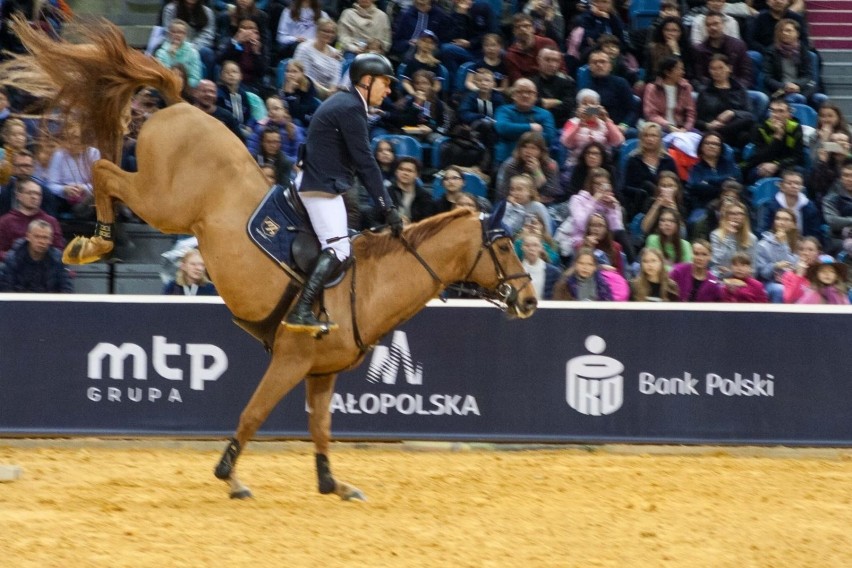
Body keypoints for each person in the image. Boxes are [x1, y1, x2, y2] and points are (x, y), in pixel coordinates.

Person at [284, 53, 402, 333]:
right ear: (366, 80)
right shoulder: (351, 109)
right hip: (321, 188)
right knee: (338, 248)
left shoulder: (345, 103)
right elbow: (365, 162)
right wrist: (388, 207)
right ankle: (301, 310)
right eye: (384, 83)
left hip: (321, 183)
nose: (388, 90)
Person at [559, 88, 624, 183]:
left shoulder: (605, 122)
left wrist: (607, 120)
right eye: (584, 104)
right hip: (577, 165)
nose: (589, 107)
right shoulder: (573, 122)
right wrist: (580, 124)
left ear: (598, 107)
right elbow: (566, 143)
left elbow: (618, 141)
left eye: (592, 104)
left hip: (602, 166)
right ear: (578, 107)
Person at [695, 54, 755, 149]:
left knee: (747, 131)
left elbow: (749, 114)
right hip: (713, 131)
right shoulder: (705, 92)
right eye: (713, 69)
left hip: (735, 129)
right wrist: (708, 125)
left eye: (721, 68)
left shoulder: (739, 89)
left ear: (729, 68)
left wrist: (732, 112)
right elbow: (696, 120)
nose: (717, 72)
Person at [621, 123, 677, 220]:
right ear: (641, 138)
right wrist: (643, 192)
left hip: (667, 203)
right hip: (640, 204)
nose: (649, 139)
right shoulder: (633, 160)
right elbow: (625, 188)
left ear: (660, 139)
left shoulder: (668, 161)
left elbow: (677, 185)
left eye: (653, 135)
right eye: (646, 135)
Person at [493, 78, 556, 164]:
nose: (525, 95)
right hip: (505, 159)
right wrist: (531, 127)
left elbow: (548, 138)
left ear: (535, 96)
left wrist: (514, 133)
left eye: (529, 92)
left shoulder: (545, 114)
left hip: (537, 162)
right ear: (513, 95)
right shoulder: (503, 110)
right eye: (520, 92)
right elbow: (502, 128)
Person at [0, 219, 72, 293]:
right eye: (37, 237)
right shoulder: (13, 259)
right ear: (28, 236)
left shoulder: (59, 260)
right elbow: (7, 291)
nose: (41, 241)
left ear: (51, 240)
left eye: (45, 238)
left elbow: (66, 290)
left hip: (50, 303)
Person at [0, 177, 63, 261]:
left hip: (44, 268)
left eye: (38, 194)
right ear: (19, 196)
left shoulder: (51, 221)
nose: (34, 197)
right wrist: (15, 257)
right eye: (30, 193)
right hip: (14, 268)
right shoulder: (5, 221)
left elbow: (58, 249)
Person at [761, 19, 819, 107]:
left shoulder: (803, 51)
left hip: (799, 88)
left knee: (812, 88)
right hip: (780, 89)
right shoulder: (771, 51)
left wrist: (796, 85)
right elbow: (768, 78)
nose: (784, 33)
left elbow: (808, 75)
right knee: (796, 98)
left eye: (788, 30)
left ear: (797, 33)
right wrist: (784, 86)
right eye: (782, 31)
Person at [745, 98, 804, 183]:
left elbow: (798, 157)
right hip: (763, 163)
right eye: (773, 111)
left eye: (781, 111)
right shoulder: (760, 128)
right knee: (757, 172)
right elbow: (759, 156)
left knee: (798, 171)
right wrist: (777, 137)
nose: (776, 115)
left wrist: (777, 165)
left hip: (785, 165)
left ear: (789, 114)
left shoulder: (796, 128)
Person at [567, 167, 626, 252]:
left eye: (604, 184)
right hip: (582, 240)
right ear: (590, 184)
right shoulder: (577, 199)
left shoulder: (608, 201)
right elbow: (581, 224)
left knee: (617, 247)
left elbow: (616, 228)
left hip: (605, 242)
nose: (601, 188)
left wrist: (612, 209)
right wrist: (594, 200)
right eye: (597, 184)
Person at [693, 11, 752, 90]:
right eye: (708, 25)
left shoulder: (738, 45)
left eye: (716, 24)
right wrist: (716, 87)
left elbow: (746, 74)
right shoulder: (699, 50)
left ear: (723, 24)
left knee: (761, 98)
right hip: (711, 91)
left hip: (736, 89)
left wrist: (734, 87)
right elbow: (700, 76)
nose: (712, 28)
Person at [585, 48, 636, 136]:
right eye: (595, 62)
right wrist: (597, 112)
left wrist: (624, 125)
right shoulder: (587, 88)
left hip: (620, 127)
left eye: (603, 62)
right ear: (590, 67)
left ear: (610, 66)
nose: (599, 65)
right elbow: (586, 112)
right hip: (597, 128)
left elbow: (633, 110)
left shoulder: (620, 83)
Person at [757, 169, 823, 237]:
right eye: (789, 183)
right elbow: (763, 229)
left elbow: (814, 232)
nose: (794, 186)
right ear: (781, 186)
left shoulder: (810, 207)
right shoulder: (770, 205)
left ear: (802, 187)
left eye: (797, 183)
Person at [641, 56, 696, 134]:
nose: (683, 72)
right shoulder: (652, 88)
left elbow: (691, 113)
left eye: (682, 69)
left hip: (682, 128)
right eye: (679, 69)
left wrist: (686, 128)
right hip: (659, 128)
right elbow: (651, 114)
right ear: (667, 72)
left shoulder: (686, 87)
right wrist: (668, 126)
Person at [755, 207, 799, 302]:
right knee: (780, 289)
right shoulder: (763, 245)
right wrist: (775, 266)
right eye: (778, 218)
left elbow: (793, 266)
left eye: (786, 219)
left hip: (794, 281)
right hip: (770, 283)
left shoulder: (798, 245)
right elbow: (763, 273)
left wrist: (783, 244)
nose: (781, 222)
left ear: (793, 225)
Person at [504, 13, 562, 83]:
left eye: (526, 26)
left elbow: (562, 69)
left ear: (533, 29)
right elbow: (518, 81)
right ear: (514, 32)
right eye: (518, 27)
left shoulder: (548, 43)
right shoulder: (511, 55)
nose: (522, 29)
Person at [293, 18, 342, 100]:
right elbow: (304, 76)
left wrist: (332, 90)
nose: (329, 34)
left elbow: (336, 77)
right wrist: (325, 91)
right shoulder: (304, 48)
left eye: (332, 32)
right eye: (325, 31)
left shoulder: (335, 52)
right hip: (307, 90)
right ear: (317, 31)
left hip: (329, 94)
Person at [247, 95, 304, 163]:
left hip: (286, 167)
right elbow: (252, 149)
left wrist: (281, 160)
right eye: (269, 109)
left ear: (285, 111)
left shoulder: (294, 130)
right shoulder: (261, 128)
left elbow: (298, 156)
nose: (272, 112)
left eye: (276, 109)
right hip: (264, 165)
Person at [216, 18, 268, 92]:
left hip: (251, 84)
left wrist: (257, 53)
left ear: (257, 32)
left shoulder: (260, 47)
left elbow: (262, 72)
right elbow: (219, 59)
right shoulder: (231, 42)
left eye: (251, 28)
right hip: (231, 82)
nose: (247, 32)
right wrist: (236, 42)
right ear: (238, 31)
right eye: (244, 28)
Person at [532, 47, 576, 128]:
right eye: (547, 60)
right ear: (538, 60)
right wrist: (558, 101)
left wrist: (541, 103)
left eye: (555, 60)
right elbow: (529, 104)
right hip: (535, 125)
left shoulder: (567, 83)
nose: (551, 64)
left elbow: (568, 107)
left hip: (560, 126)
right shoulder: (530, 83)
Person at [710, 200, 757, 277]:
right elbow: (718, 262)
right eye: (732, 213)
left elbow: (753, 269)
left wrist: (730, 272)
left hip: (744, 280)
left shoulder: (752, 238)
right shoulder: (716, 235)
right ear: (726, 216)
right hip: (721, 278)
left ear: (744, 217)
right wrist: (729, 236)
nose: (736, 217)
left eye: (740, 214)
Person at [154, 19, 204, 89]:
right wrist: (172, 56)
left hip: (188, 88)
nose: (177, 35)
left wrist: (182, 85)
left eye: (181, 32)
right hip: (167, 87)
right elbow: (161, 76)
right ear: (169, 34)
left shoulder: (193, 52)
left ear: (185, 35)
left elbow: (195, 78)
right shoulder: (161, 53)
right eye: (174, 32)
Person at [644, 16, 694, 85]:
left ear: (681, 33)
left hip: (682, 84)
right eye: (667, 30)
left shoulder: (687, 49)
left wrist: (676, 52)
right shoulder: (653, 48)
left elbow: (688, 74)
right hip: (658, 85)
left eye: (674, 30)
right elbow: (649, 75)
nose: (670, 33)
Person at [385, 157, 434, 223]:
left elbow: (427, 221)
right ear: (396, 172)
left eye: (409, 171)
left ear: (417, 175)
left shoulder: (425, 196)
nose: (405, 173)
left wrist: (410, 224)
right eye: (401, 169)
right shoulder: (387, 192)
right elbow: (378, 217)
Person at [781, 236, 828, 302]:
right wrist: (799, 275)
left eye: (810, 250)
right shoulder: (789, 275)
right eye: (801, 249)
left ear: (818, 253)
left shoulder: (824, 273)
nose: (805, 253)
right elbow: (789, 299)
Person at [519, 232, 561, 300]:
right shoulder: (514, 271)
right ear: (522, 247)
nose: (531, 249)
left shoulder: (554, 273)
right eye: (527, 245)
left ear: (541, 248)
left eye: (535, 245)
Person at [822, 159, 852, 254]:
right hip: (838, 238)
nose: (849, 179)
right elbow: (833, 221)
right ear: (841, 178)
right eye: (846, 175)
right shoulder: (830, 198)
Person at [280, 59, 321, 126]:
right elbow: (283, 107)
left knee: (296, 122)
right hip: (290, 118)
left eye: (294, 71)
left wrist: (290, 93)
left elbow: (297, 114)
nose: (291, 74)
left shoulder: (308, 85)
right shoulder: (284, 85)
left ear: (302, 73)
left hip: (308, 118)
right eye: (288, 71)